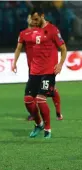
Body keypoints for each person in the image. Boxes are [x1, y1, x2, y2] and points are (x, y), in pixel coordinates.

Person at [13, 8, 67, 138]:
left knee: (41, 99)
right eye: (33, 19)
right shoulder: (30, 32)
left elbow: (64, 49)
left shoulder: (53, 30)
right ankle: (39, 124)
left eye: (37, 19)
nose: (34, 22)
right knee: (27, 100)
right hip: (34, 71)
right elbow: (21, 46)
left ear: (42, 16)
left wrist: (60, 64)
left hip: (49, 71)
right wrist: (14, 62)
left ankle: (48, 129)